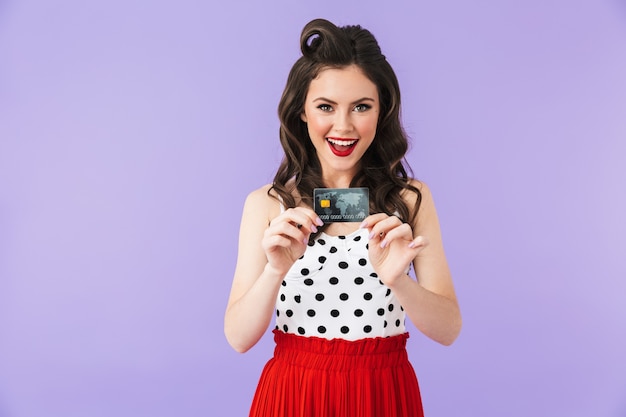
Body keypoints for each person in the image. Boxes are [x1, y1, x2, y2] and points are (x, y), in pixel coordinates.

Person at [224, 18, 461, 417]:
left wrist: (398, 281)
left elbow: (448, 329)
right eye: (326, 107)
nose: (343, 126)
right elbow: (239, 338)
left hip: (382, 392)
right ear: (302, 112)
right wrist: (274, 271)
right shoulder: (266, 205)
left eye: (361, 107)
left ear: (381, 110)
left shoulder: (411, 199)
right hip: (294, 393)